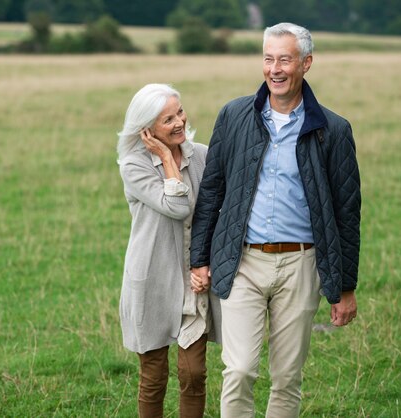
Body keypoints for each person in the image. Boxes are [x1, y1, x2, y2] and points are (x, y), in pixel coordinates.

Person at [189, 22, 361, 417]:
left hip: (301, 264)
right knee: (239, 369)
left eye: (285, 59)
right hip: (243, 261)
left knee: (286, 378)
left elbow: (347, 213)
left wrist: (345, 287)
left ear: (306, 63)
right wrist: (200, 258)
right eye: (268, 58)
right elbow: (211, 192)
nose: (275, 69)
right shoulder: (234, 116)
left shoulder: (332, 130)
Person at [117, 83, 221, 418]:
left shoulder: (202, 155)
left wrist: (208, 265)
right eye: (167, 119)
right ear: (146, 129)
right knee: (154, 377)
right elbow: (175, 206)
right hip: (152, 279)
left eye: (179, 112)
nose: (179, 122)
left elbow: (216, 211)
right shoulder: (134, 165)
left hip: (194, 278)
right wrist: (164, 156)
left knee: (193, 375)